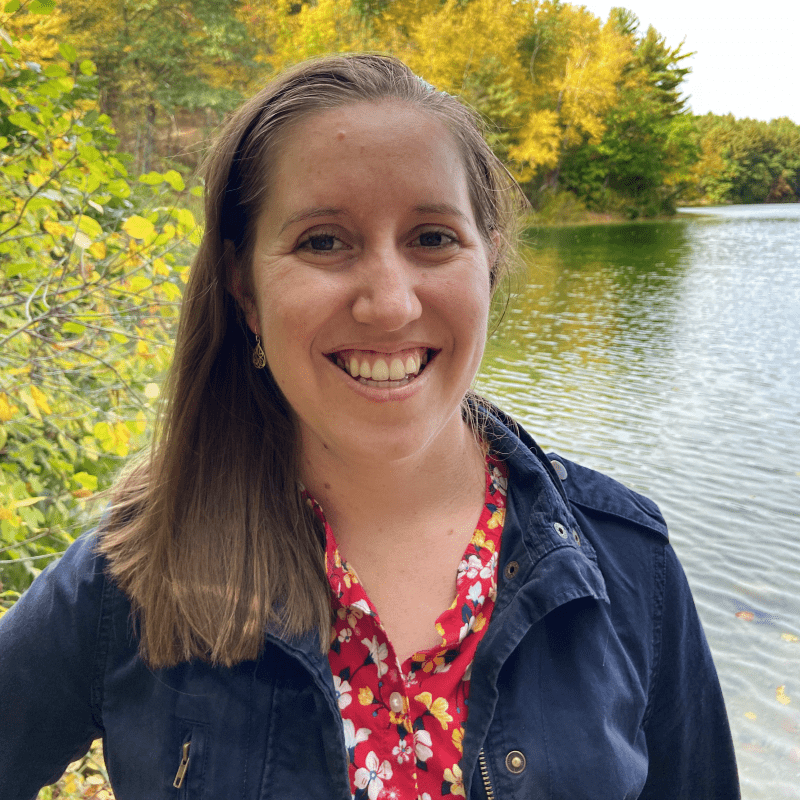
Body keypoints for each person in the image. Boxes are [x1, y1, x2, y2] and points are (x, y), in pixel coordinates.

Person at [0, 54, 739, 800]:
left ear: (488, 264)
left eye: (432, 238)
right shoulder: (132, 574)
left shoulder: (627, 566)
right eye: (324, 241)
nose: (389, 304)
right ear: (243, 289)